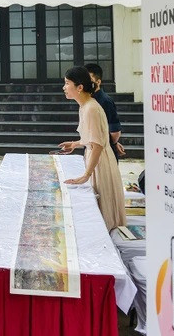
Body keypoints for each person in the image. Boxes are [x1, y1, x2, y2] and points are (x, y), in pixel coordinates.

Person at [58, 66, 127, 231]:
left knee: (103, 209)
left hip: (100, 161)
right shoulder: (85, 106)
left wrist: (86, 175)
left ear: (79, 87)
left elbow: (97, 146)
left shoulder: (91, 108)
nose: (64, 88)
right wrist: (75, 144)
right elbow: (93, 138)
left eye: (67, 83)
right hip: (97, 158)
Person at [85, 63, 125, 161]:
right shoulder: (88, 99)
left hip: (104, 153)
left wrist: (113, 143)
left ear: (98, 82)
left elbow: (115, 131)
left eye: (89, 80)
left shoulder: (105, 101)